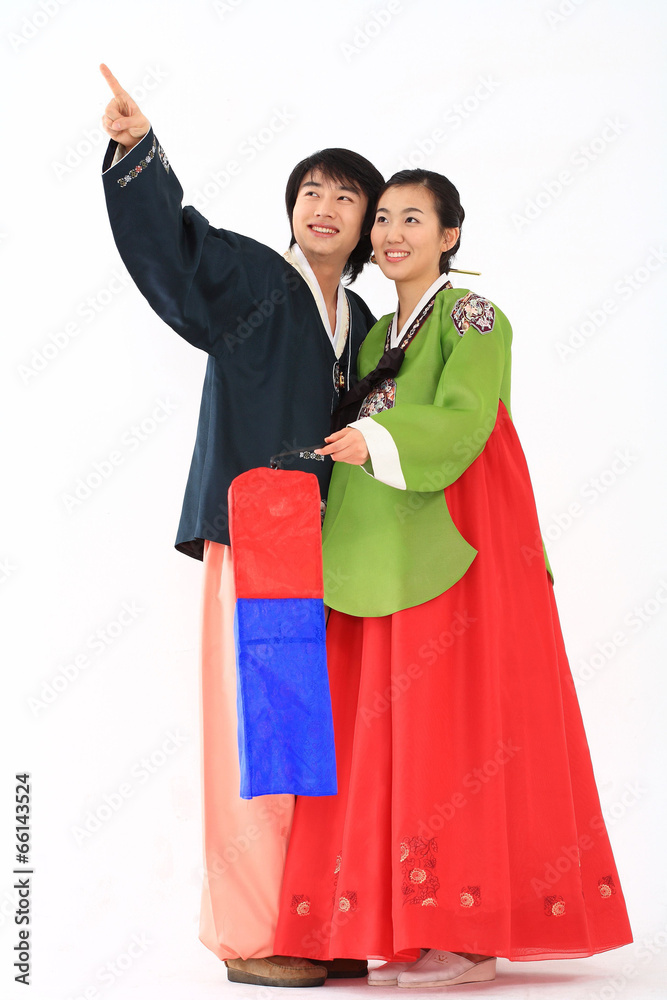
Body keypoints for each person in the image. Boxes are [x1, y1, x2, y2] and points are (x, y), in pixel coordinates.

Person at [272, 168, 633, 987]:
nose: (391, 233)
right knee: (387, 729)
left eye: (413, 218)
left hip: (456, 545)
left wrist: (377, 437)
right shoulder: (374, 336)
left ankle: (464, 931)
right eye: (383, 219)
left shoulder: (472, 315)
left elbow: (468, 416)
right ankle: (398, 924)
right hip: (382, 551)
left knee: (453, 725)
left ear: (449, 236)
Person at [99, 63, 384, 988]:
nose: (324, 208)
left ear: (370, 225)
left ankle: (317, 923)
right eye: (310, 193)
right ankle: (254, 935)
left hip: (336, 545)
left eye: (346, 197)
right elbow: (174, 251)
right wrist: (138, 151)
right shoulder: (254, 277)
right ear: (291, 209)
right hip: (262, 525)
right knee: (264, 733)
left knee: (323, 737)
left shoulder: (363, 320)